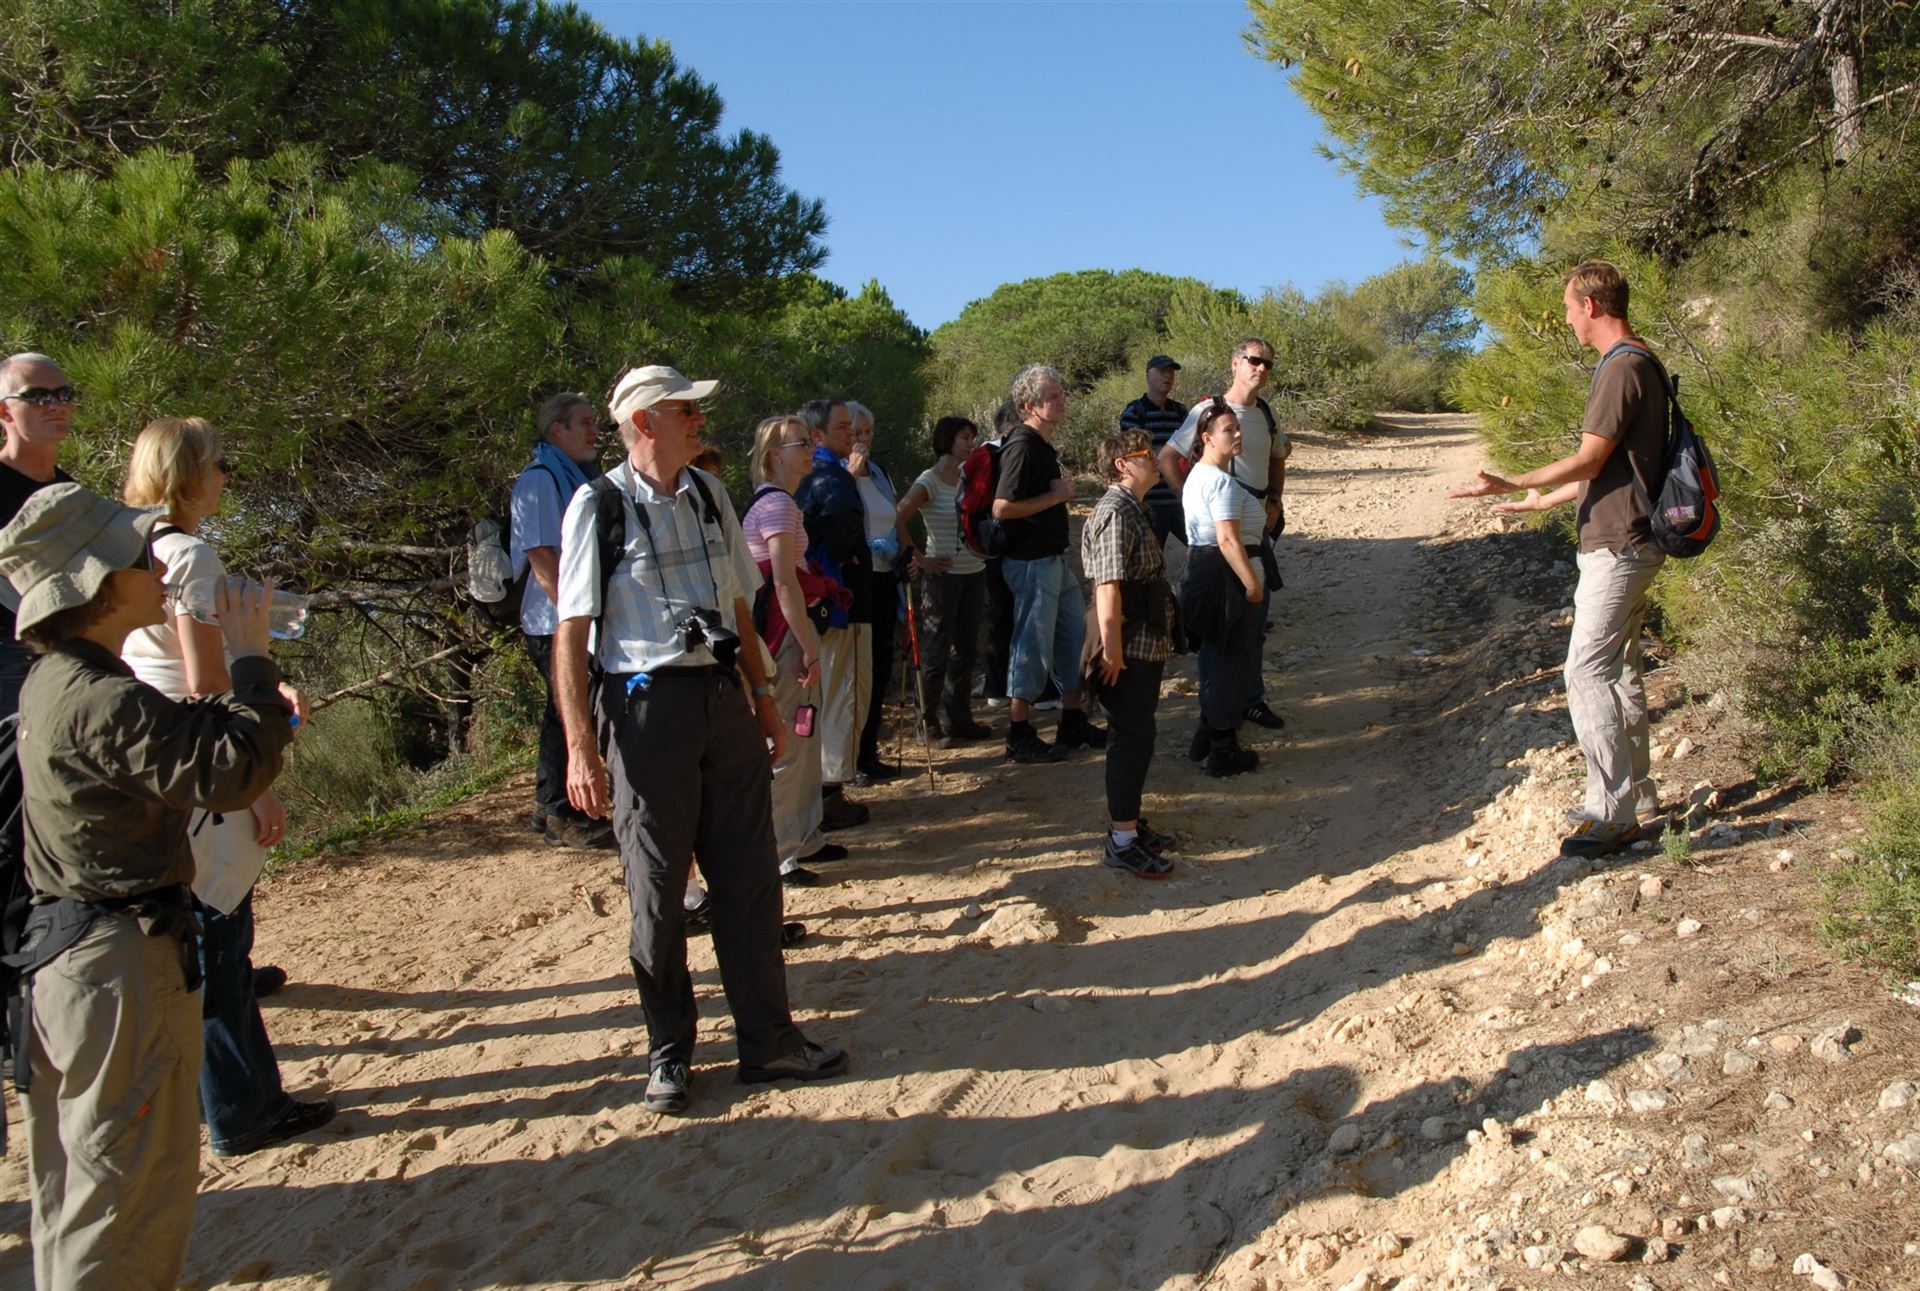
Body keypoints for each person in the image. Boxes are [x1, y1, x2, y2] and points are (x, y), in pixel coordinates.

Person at [0, 482, 297, 1290]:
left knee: (79, 1200)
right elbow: (230, 768)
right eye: (137, 556)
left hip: (72, 968)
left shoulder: (56, 681)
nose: (157, 567)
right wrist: (251, 658)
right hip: (117, 975)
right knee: (123, 1208)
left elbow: (193, 743)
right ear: (98, 586)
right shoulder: (100, 698)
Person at [553, 365, 847, 1114]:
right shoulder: (597, 505)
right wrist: (580, 748)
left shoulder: (712, 495)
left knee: (750, 879)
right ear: (644, 422)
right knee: (657, 891)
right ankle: (669, 1053)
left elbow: (739, 608)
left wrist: (763, 697)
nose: (698, 420)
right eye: (684, 409)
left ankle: (769, 1041)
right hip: (644, 711)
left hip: (723, 699)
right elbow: (572, 632)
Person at [119, 417, 335, 1158]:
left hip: (151, 753)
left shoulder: (128, 546)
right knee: (220, 934)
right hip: (202, 760)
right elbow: (208, 682)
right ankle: (244, 1109)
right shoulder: (192, 556)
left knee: (195, 933)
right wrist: (252, 786)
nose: (228, 477)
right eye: (220, 464)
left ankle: (215, 1098)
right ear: (187, 475)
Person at [1448, 260, 1670, 857]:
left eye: (1570, 307)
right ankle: (1637, 795)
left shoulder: (1620, 367)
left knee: (1586, 672)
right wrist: (1542, 500)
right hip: (1630, 538)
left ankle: (1611, 813)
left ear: (1591, 305)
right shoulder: (1641, 361)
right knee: (1620, 670)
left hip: (1619, 544)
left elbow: (1592, 458)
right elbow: (1616, 465)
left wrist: (1514, 481)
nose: (1567, 318)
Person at [741, 414, 850, 887]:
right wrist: (808, 648)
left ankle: (805, 837)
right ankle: (781, 853)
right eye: (799, 444)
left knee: (805, 736)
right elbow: (784, 581)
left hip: (789, 632)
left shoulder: (777, 502)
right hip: (785, 636)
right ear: (774, 456)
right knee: (788, 738)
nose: (809, 449)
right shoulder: (778, 506)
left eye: (808, 441)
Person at [1160, 337, 1290, 731]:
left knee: (1252, 625)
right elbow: (1167, 457)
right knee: (1221, 627)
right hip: (1225, 530)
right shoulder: (1208, 411)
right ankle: (1215, 719)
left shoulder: (1266, 413)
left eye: (1267, 363)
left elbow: (1277, 458)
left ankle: (1248, 702)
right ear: (1235, 363)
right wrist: (1190, 501)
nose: (1261, 369)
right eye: (1254, 360)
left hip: (1255, 526)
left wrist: (1275, 499)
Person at [510, 391, 612, 850]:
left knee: (562, 707)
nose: (595, 431)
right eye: (584, 422)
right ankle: (559, 813)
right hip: (552, 621)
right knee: (566, 708)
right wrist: (579, 618)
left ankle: (550, 806)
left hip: (572, 617)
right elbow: (542, 560)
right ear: (557, 429)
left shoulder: (577, 475)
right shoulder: (539, 480)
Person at [994, 364, 1105, 762]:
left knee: (1074, 639)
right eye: (1052, 397)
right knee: (1032, 646)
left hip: (1050, 560)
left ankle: (1071, 721)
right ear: (1030, 406)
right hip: (1030, 563)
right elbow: (1001, 508)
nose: (1061, 401)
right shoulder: (1023, 446)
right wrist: (1056, 497)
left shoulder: (1039, 445)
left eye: (1061, 394)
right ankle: (1019, 734)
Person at [1082, 431, 1178, 877]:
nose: (1156, 460)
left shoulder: (1133, 507)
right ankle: (1121, 841)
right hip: (1127, 643)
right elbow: (1108, 587)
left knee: (1139, 735)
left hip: (1141, 639)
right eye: (1146, 455)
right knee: (1129, 737)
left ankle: (1130, 824)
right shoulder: (1115, 512)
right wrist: (1112, 650)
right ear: (1122, 465)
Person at [792, 398, 872, 829]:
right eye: (843, 427)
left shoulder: (804, 476)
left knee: (825, 695)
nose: (852, 434)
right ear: (818, 434)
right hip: (841, 604)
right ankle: (829, 793)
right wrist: (845, 555)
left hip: (818, 602)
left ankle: (816, 792)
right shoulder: (831, 477)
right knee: (845, 694)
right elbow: (840, 518)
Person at [1178, 401, 1265, 777]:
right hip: (1223, 576)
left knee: (1215, 659)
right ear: (1207, 438)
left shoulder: (1198, 475)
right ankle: (1222, 750)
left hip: (1202, 570)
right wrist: (1252, 584)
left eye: (1238, 428)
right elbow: (1228, 540)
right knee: (1232, 662)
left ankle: (1207, 735)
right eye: (1229, 430)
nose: (1238, 434)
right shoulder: (1220, 482)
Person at [895, 415, 992, 747]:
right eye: (964, 437)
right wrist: (920, 559)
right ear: (946, 440)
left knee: (965, 650)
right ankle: (926, 723)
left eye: (972, 437)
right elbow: (898, 516)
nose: (970, 443)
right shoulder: (930, 481)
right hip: (942, 579)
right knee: (936, 653)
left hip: (974, 573)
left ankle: (959, 718)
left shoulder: (970, 477)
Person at [844, 401, 914, 783]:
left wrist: (909, 553)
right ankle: (850, 758)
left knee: (880, 665)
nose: (863, 439)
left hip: (886, 577)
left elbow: (895, 519)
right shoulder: (839, 476)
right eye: (856, 432)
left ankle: (868, 752)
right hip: (857, 581)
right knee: (857, 669)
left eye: (868, 432)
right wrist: (851, 477)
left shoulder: (881, 473)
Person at [978, 399, 1022, 710]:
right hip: (1012, 540)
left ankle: (996, 686)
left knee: (999, 615)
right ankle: (1016, 686)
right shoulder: (1008, 450)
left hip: (989, 543)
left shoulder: (983, 452)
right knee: (1018, 615)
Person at [1119, 355, 1189, 548]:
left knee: (1204, 548)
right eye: (1162, 371)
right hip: (1150, 501)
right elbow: (1134, 454)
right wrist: (1171, 455)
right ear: (1148, 376)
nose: (1167, 376)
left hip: (1180, 499)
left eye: (1171, 372)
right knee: (1150, 558)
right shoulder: (1134, 412)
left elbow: (1192, 449)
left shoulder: (1180, 411)